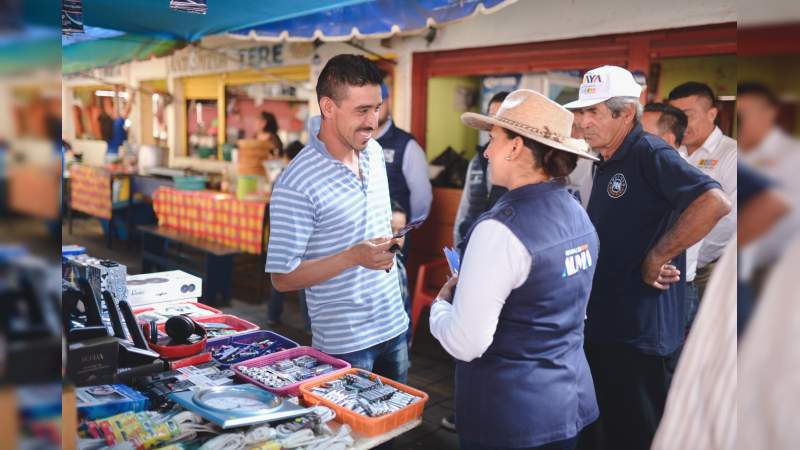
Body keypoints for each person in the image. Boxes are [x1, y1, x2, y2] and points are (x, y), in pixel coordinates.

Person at [563, 65, 731, 450]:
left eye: (594, 113)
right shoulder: (607, 158)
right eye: (580, 112)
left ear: (626, 114)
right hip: (609, 321)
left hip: (638, 329)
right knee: (605, 424)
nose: (583, 122)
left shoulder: (648, 151)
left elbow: (713, 201)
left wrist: (659, 254)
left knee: (635, 430)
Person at [430, 89, 601, 450]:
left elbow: (466, 342)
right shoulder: (578, 214)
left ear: (516, 147)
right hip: (566, 402)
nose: (487, 152)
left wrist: (441, 306)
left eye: (493, 140)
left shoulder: (500, 229)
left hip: (510, 416)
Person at [266, 54, 409, 383]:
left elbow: (373, 225)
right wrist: (353, 257)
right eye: (362, 111)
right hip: (346, 344)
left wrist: (389, 240)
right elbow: (282, 278)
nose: (373, 122)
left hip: (394, 324)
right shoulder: (297, 182)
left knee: (395, 430)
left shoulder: (373, 151)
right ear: (328, 108)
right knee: (355, 435)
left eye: (377, 108)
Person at [668, 82, 737, 303]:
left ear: (712, 114)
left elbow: (733, 219)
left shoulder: (732, 154)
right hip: (670, 265)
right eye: (675, 116)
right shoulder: (671, 153)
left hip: (709, 269)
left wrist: (691, 259)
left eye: (688, 115)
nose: (681, 124)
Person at [737, 82, 800, 285]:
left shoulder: (792, 155)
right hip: (738, 268)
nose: (741, 122)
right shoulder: (736, 154)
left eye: (745, 114)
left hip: (779, 271)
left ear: (770, 113)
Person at [452, 91, 509, 247]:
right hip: (470, 247)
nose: (494, 123)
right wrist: (458, 251)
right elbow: (463, 212)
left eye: (501, 118)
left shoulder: (519, 168)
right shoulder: (477, 161)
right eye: (491, 117)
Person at [266, 140, 311, 332]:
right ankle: (310, 325)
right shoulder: (310, 177)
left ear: (286, 157)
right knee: (304, 281)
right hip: (305, 236)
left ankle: (272, 315)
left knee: (282, 276)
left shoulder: (283, 177)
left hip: (282, 236)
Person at [376, 81, 432, 224]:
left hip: (391, 237)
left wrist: (406, 228)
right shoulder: (352, 141)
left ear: (388, 101)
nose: (373, 110)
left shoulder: (406, 145)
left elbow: (422, 196)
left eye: (378, 103)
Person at [389, 201, 413, 345]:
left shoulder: (399, 266)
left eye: (401, 232)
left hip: (398, 340)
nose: (397, 238)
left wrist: (407, 340)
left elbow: (406, 307)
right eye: (391, 230)